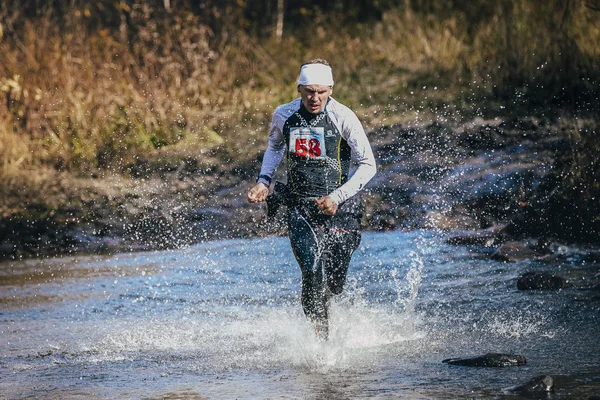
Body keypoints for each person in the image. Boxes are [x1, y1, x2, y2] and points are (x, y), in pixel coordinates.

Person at [247, 59, 376, 338]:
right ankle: (320, 343)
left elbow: (368, 164)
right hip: (300, 206)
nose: (314, 98)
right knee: (311, 272)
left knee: (334, 282)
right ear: (299, 88)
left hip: (340, 209)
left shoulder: (343, 116)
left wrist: (337, 197)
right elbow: (274, 147)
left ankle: (326, 318)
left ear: (330, 89)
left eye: (321, 92)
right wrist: (263, 181)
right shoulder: (284, 114)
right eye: (308, 91)